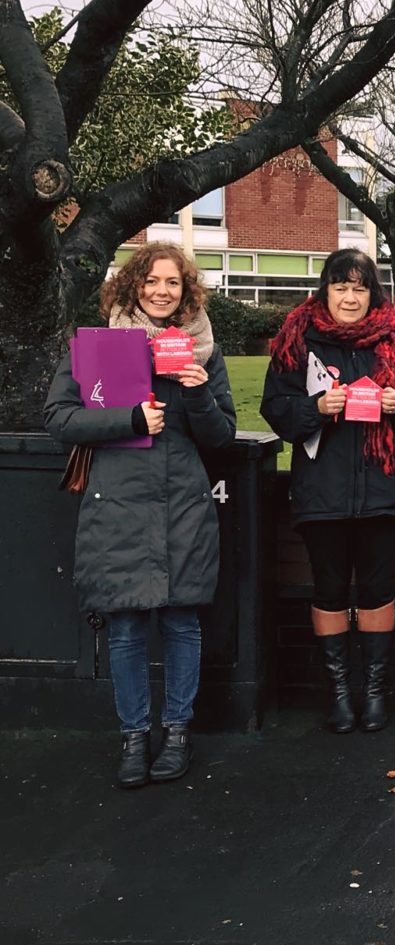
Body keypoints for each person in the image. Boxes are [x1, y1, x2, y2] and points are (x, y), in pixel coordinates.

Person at [44, 243, 237, 788]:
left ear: (186, 291)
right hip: (119, 506)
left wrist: (198, 393)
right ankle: (134, 737)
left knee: (181, 622)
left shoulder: (204, 350)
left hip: (183, 506)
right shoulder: (97, 345)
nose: (161, 290)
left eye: (173, 282)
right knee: (126, 625)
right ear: (132, 286)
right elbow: (60, 419)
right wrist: (129, 419)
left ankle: (177, 733)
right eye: (151, 280)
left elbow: (221, 435)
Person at [262, 250, 395, 733]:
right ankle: (340, 694)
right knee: (328, 590)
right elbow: (275, 409)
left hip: (383, 492)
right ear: (326, 289)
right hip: (321, 493)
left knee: (377, 590)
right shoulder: (299, 337)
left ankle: (374, 693)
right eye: (341, 286)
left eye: (359, 287)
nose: (350, 296)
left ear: (373, 293)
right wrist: (316, 407)